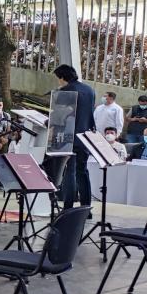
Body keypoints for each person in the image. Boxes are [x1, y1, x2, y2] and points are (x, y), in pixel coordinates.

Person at [54, 64, 96, 212]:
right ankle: (86, 208)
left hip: (69, 136)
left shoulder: (66, 90)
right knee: (82, 171)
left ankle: (68, 208)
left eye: (58, 78)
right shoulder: (89, 90)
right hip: (85, 136)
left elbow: (59, 116)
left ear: (62, 77)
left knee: (70, 172)